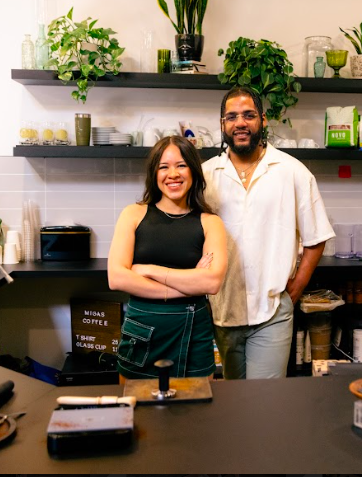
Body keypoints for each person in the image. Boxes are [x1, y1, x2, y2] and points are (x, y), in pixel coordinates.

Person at [202, 86, 335, 379]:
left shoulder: (292, 171)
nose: (240, 123)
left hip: (272, 311)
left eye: (249, 115)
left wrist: (296, 289)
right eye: (232, 117)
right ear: (222, 124)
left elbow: (316, 238)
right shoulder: (205, 175)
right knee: (232, 399)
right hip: (222, 310)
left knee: (265, 401)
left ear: (262, 119)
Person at [108, 135, 227, 380]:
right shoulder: (133, 214)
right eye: (164, 167)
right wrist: (188, 285)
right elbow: (117, 278)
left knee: (197, 412)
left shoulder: (210, 222)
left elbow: (212, 282)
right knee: (136, 411)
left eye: (181, 165)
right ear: (155, 173)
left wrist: (149, 270)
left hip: (194, 330)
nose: (172, 174)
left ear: (193, 171)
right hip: (141, 330)